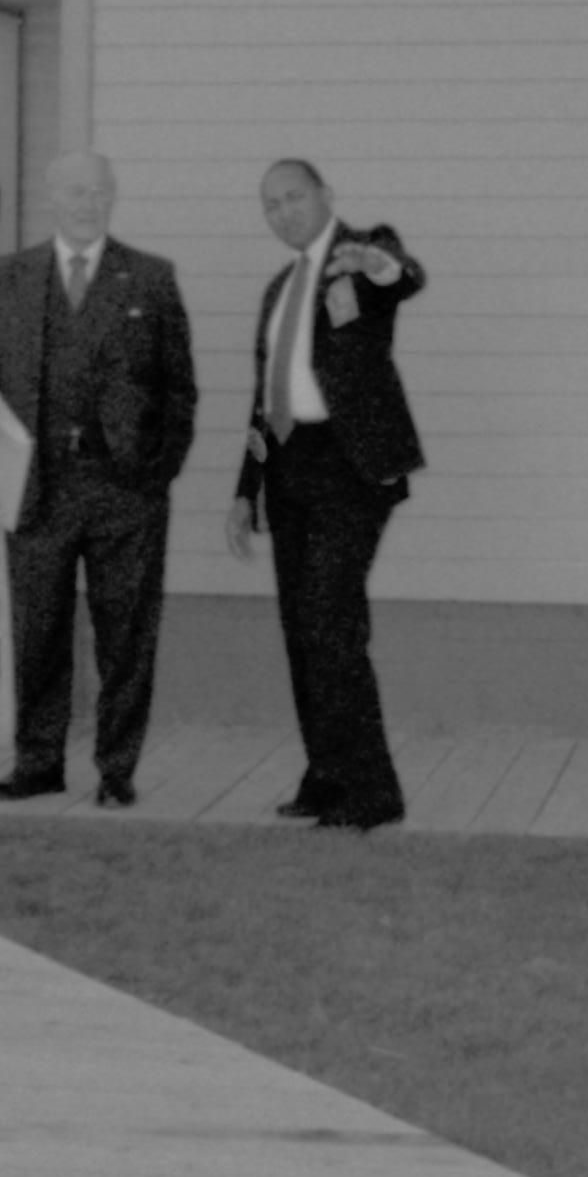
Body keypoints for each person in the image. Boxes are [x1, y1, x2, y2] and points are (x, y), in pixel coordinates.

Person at [0, 151, 196, 808]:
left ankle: (117, 771)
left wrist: (158, 473)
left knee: (126, 635)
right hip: (37, 485)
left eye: (97, 191)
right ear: (51, 200)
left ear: (112, 198)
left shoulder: (149, 279)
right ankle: (38, 764)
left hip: (125, 490)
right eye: (73, 192)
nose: (86, 202)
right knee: (38, 630)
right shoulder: (7, 279)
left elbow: (180, 391)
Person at [228, 158, 427, 833]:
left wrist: (374, 260)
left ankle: (373, 791)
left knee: (330, 624)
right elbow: (265, 402)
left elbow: (403, 275)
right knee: (302, 631)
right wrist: (242, 491)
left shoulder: (359, 251)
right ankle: (326, 775)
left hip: (351, 468)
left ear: (325, 196)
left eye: (293, 197)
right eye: (270, 205)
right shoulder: (279, 289)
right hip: (288, 469)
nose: (283, 212)